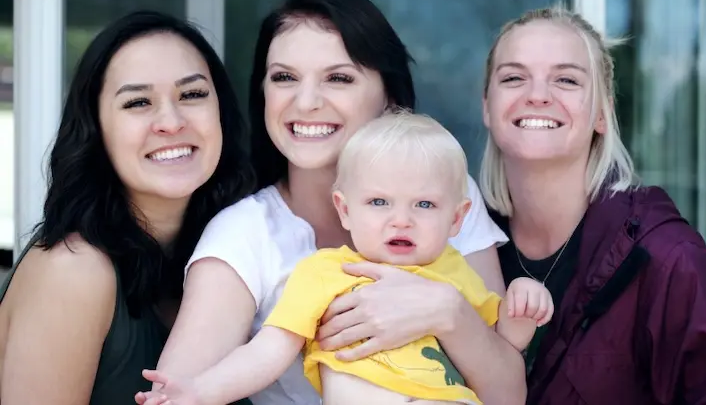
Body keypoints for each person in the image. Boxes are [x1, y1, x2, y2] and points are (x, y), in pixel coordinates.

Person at [146, 0, 526, 405]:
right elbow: (177, 394)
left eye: (339, 78)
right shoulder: (245, 235)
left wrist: (447, 311)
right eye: (284, 78)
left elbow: (508, 395)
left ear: (391, 100)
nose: (306, 102)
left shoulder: (439, 196)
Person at [137, 112, 553, 405]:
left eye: (424, 205)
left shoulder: (455, 273)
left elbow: (502, 346)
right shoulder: (325, 272)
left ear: (457, 217)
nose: (401, 220)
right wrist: (199, 391)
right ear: (345, 208)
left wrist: (522, 305)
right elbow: (268, 351)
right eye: (378, 202)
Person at [479, 4, 706, 404]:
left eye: (566, 79)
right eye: (513, 77)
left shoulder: (669, 259)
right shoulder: (457, 246)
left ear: (602, 112)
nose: (538, 95)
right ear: (486, 108)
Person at [0, 11, 254, 404]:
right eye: (138, 102)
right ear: (96, 129)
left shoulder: (233, 250)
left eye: (192, 94)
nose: (170, 121)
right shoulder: (74, 270)